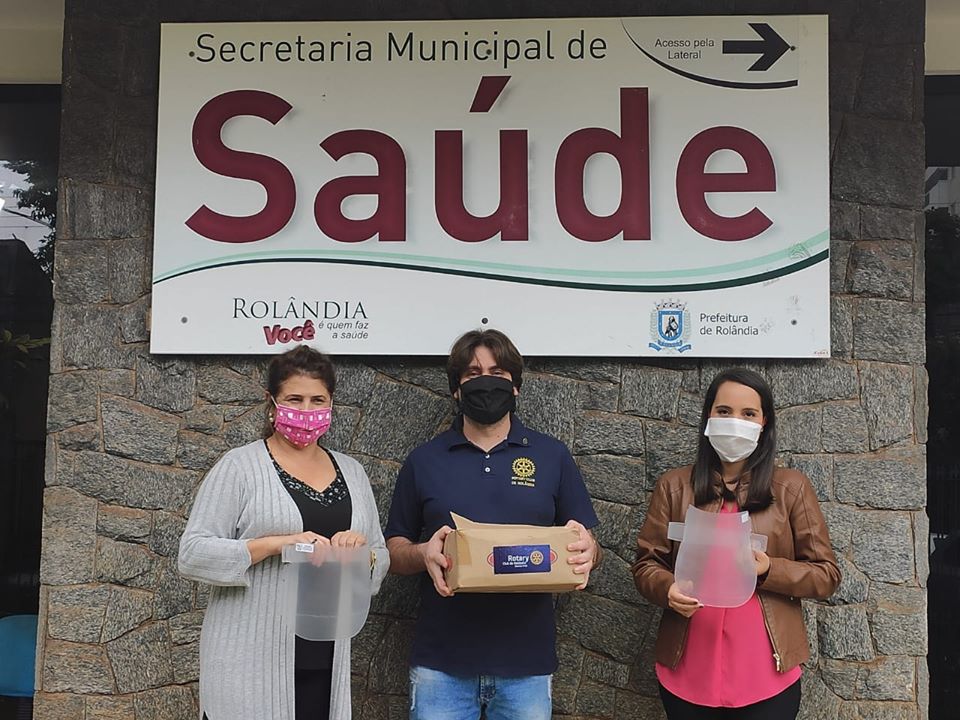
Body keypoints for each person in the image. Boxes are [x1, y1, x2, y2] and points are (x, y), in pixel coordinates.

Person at [385, 328, 601, 720]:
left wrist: (589, 551)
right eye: (473, 374)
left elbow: (586, 541)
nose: (486, 382)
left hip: (527, 666)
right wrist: (423, 553)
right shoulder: (424, 461)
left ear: (515, 386)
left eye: (497, 373)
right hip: (441, 665)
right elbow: (394, 551)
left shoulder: (552, 456)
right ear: (456, 389)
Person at [178, 345, 389, 720]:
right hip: (248, 663)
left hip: (325, 657)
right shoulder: (239, 467)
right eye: (294, 399)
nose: (306, 410)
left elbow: (380, 555)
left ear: (331, 403)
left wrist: (362, 553)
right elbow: (193, 554)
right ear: (272, 403)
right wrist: (275, 544)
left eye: (317, 400)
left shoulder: (353, 473)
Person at [633, 368, 841, 719]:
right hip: (687, 670)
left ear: (764, 423)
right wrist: (667, 588)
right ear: (708, 417)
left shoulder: (791, 489)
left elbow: (826, 575)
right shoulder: (673, 486)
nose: (735, 422)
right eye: (724, 411)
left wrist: (770, 569)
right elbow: (646, 564)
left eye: (748, 414)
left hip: (766, 675)